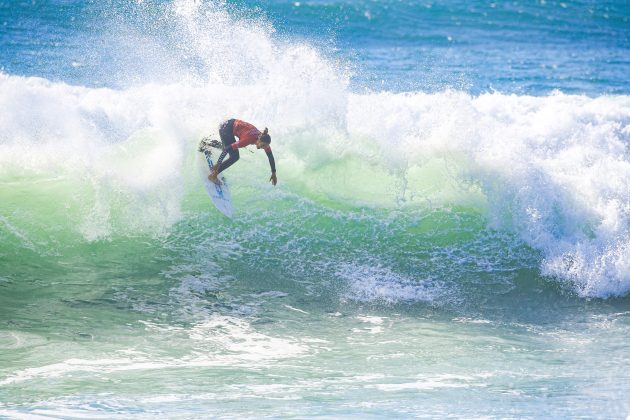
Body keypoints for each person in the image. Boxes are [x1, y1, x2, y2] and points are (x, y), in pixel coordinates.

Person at [207, 119, 277, 186]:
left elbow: (270, 156)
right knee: (234, 156)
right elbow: (227, 149)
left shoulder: (263, 139)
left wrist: (274, 173)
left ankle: (208, 143)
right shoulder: (247, 140)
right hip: (225, 128)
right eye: (263, 145)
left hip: (228, 124)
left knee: (228, 147)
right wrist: (218, 163)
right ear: (259, 140)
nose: (263, 148)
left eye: (265, 146)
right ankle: (213, 175)